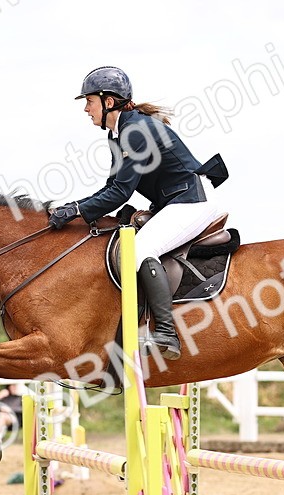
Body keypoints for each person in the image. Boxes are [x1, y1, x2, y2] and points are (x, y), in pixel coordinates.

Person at [47, 66, 230, 361]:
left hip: (191, 201)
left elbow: (120, 193)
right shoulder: (117, 135)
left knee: (140, 250)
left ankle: (167, 333)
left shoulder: (135, 132)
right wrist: (74, 207)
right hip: (174, 202)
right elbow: (112, 187)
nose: (86, 109)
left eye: (90, 101)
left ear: (109, 102)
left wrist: (77, 211)